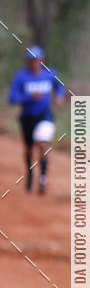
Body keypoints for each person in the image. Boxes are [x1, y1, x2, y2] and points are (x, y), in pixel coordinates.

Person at [7, 45, 65, 194]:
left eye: (37, 60)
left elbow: (59, 86)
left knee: (42, 144)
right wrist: (29, 97)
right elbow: (12, 98)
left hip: (45, 116)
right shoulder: (21, 77)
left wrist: (59, 96)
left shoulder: (50, 74)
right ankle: (30, 173)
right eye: (31, 61)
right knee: (28, 149)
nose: (34, 63)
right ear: (27, 62)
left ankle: (43, 178)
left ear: (42, 60)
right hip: (27, 117)